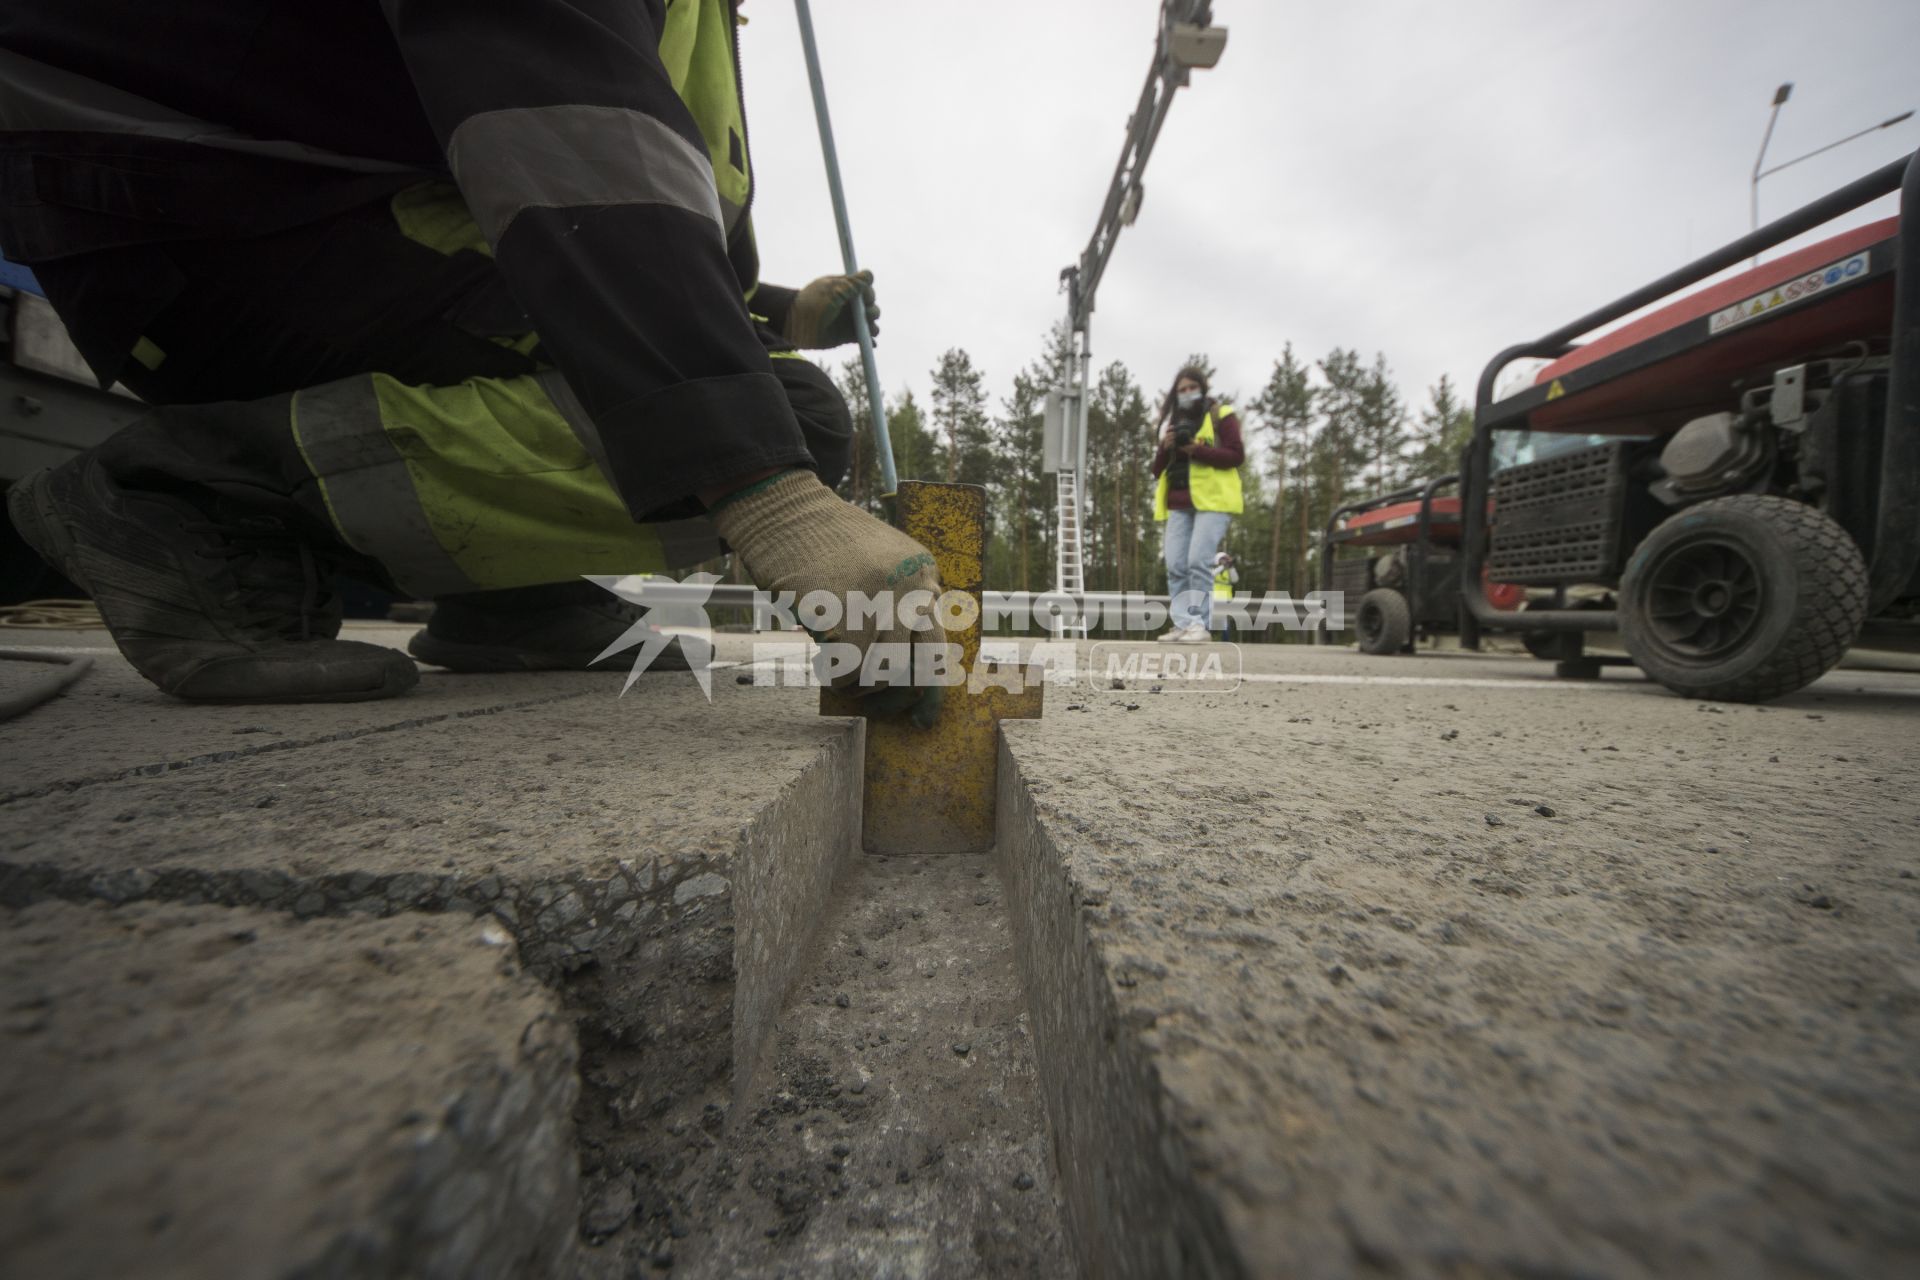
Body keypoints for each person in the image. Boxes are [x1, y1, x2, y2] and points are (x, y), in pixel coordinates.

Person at [0, 0, 944, 721]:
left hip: (235, 208)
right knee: (790, 422)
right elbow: (562, 121)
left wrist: (775, 311)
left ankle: (507, 591)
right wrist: (767, 490)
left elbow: (601, 204)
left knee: (753, 395)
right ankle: (186, 496)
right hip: (193, 200)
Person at [1150, 366, 1244, 642]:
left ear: (1202, 388)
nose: (1187, 393)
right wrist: (1164, 448)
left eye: (1192, 387)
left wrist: (1196, 450)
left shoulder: (1221, 415)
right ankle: (1183, 623)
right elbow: (1157, 471)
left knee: (1197, 562)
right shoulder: (1173, 425)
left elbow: (1236, 455)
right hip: (1179, 502)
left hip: (1213, 501)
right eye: (1182, 390)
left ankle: (1200, 625)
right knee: (1176, 564)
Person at [1209, 550, 1239, 638]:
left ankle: (1225, 642)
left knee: (1224, 623)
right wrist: (1223, 566)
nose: (1225, 561)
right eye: (1223, 559)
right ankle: (1206, 640)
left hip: (1225, 599)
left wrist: (1231, 567)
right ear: (1217, 560)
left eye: (1226, 559)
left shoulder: (1229, 570)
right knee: (1210, 621)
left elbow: (1235, 580)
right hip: (1213, 598)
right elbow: (1211, 575)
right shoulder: (1213, 569)